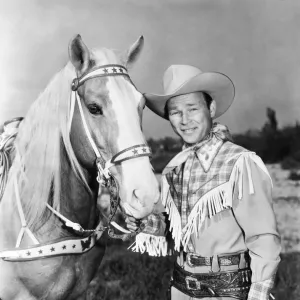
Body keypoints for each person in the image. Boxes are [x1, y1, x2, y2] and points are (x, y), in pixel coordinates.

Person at [126, 65, 281, 300]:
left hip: (227, 291)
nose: (185, 120)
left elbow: (263, 238)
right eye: (175, 112)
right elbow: (177, 233)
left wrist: (258, 295)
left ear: (211, 108)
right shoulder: (173, 168)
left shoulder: (240, 163)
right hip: (180, 288)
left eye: (192, 108)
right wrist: (144, 223)